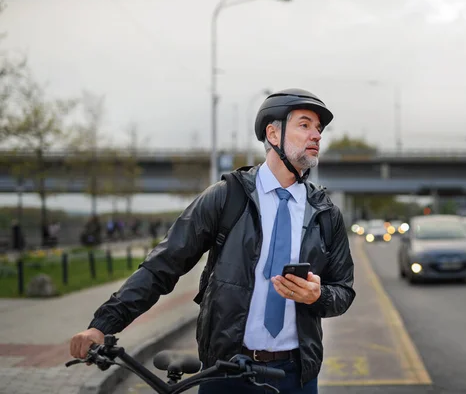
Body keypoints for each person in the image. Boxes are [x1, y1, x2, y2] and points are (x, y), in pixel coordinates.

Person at [69, 88, 356, 393]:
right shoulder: (227, 197)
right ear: (273, 134)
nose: (316, 135)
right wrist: (103, 325)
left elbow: (343, 290)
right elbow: (162, 265)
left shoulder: (326, 213)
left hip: (295, 375)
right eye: (305, 125)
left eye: (319, 129)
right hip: (227, 372)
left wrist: (317, 296)